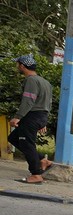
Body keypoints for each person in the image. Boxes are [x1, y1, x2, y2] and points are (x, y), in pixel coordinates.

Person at [8, 55, 54, 183]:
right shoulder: (45, 82)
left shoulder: (31, 80)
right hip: (40, 115)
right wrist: (43, 121)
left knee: (27, 144)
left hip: (31, 116)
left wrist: (18, 117)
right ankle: (42, 160)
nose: (17, 67)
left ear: (22, 66)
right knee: (13, 138)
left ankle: (36, 174)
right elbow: (48, 103)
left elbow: (28, 100)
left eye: (18, 64)